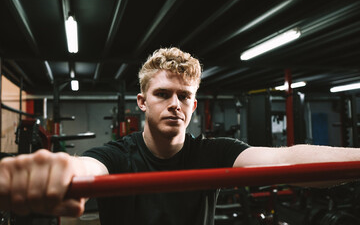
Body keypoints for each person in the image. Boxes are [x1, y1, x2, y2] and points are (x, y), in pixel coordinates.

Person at [0, 47, 359, 224]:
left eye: (184, 96)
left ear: (194, 103)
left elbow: (284, 160)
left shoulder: (215, 152)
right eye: (163, 94)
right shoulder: (116, 155)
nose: (175, 104)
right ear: (142, 101)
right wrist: (57, 171)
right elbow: (83, 167)